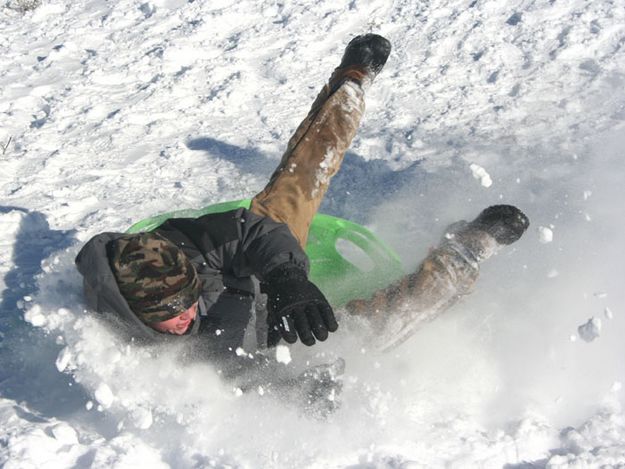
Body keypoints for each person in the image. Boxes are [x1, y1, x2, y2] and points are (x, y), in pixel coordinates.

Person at [75, 34, 529, 363]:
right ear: (134, 309)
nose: (186, 312)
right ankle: (471, 247)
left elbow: (250, 232)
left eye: (188, 297)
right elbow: (227, 386)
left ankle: (350, 84)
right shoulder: (116, 327)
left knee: (298, 183)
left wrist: (286, 280)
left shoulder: (182, 247)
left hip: (260, 278)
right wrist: (296, 392)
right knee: (388, 327)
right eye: (172, 312)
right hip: (272, 343)